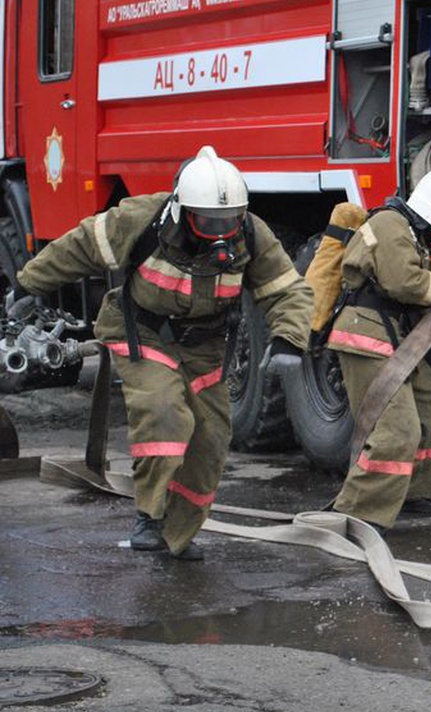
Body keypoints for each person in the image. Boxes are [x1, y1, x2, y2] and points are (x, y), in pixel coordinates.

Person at [7, 145, 313, 561]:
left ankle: (176, 534)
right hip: (143, 335)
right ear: (182, 210)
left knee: (211, 440)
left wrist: (288, 339)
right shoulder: (141, 219)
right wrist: (29, 285)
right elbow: (79, 246)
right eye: (209, 221)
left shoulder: (252, 233)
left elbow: (286, 290)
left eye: (230, 219)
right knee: (165, 413)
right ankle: (149, 517)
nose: (222, 231)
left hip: (205, 347)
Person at [325, 166, 431, 533]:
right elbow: (404, 282)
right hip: (365, 337)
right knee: (397, 431)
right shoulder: (390, 225)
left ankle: (419, 493)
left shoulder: (411, 235)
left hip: (394, 338)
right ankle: (359, 513)